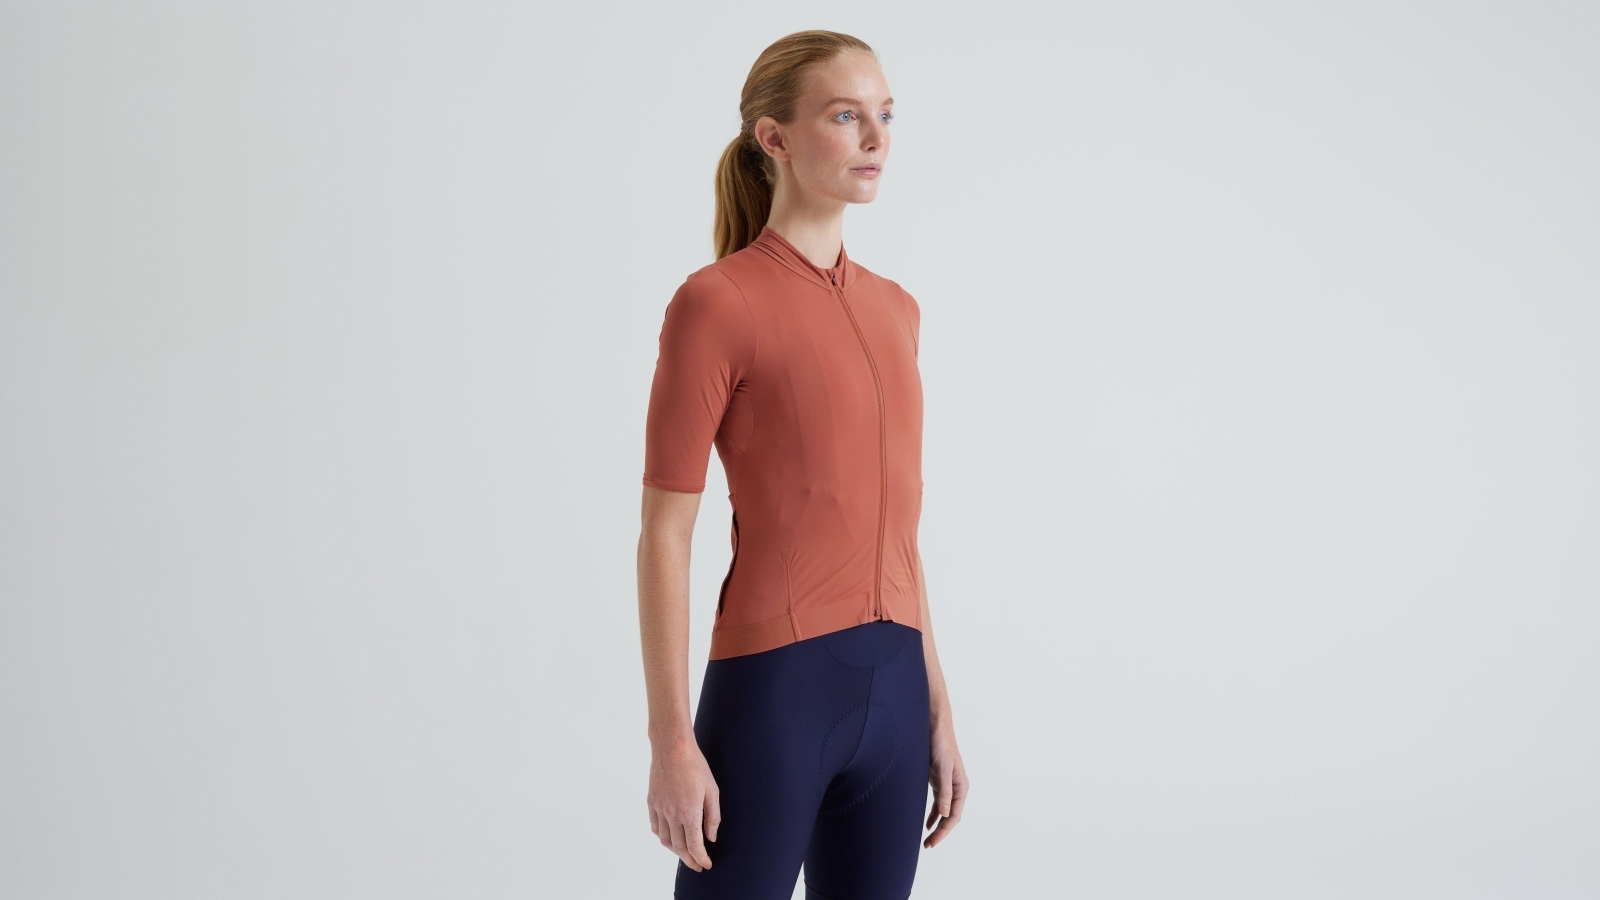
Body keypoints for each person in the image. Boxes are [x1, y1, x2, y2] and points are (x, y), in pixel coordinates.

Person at [637, 30, 968, 900]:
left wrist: (938, 707)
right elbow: (665, 532)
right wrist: (671, 744)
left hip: (897, 695)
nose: (876, 137)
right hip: (775, 696)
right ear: (773, 137)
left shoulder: (898, 310)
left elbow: (899, 534)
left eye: (885, 114)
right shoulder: (717, 304)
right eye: (846, 115)